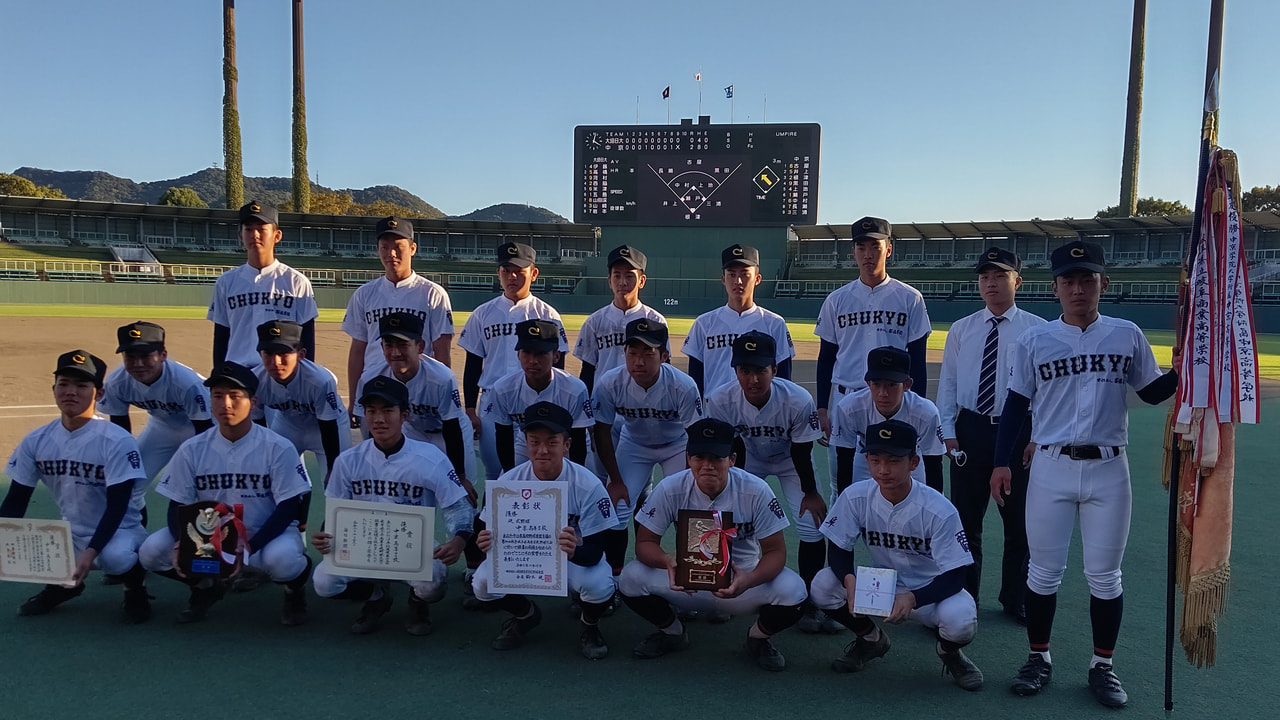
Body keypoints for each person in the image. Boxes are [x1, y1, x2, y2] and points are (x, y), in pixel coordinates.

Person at [990, 240, 1178, 708]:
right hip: (1051, 465)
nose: (1078, 288)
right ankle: (1039, 658)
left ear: (1103, 284)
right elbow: (1015, 406)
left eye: (1087, 279)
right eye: (1069, 281)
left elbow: (1153, 393)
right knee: (1043, 572)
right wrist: (1000, 461)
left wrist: (1187, 369)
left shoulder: (1126, 333)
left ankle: (1102, 666)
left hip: (1109, 469)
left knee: (1105, 577)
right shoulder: (1035, 340)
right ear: (1055, 288)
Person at [618, 418, 807, 671]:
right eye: (699, 457)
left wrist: (748, 581)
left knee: (794, 590)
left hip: (740, 584)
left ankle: (757, 639)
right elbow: (644, 542)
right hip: (687, 585)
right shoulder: (671, 488)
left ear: (732, 459)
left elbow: (776, 552)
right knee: (630, 578)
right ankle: (673, 632)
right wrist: (667, 561)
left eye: (716, 458)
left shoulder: (756, 490)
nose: (707, 465)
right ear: (688, 458)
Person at [809, 419, 983, 691]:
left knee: (961, 620)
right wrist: (850, 581)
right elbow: (839, 549)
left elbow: (956, 575)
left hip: (931, 592)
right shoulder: (856, 496)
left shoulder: (939, 509)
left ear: (913, 462)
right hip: (882, 586)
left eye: (893, 461)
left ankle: (949, 653)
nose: (882, 470)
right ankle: (871, 639)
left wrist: (914, 598)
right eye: (875, 460)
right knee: (823, 585)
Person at [140, 362, 313, 625]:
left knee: (284, 561)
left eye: (235, 396)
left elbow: (289, 505)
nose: (226, 404)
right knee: (151, 552)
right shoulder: (193, 448)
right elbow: (178, 504)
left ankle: (293, 592)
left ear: (253, 402)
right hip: (209, 537)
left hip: (264, 534)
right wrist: (181, 544)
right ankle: (204, 587)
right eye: (218, 396)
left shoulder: (277, 447)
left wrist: (249, 546)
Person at [311, 376, 475, 635]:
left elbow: (458, 507)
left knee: (432, 583)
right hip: (361, 546)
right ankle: (376, 596)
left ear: (405, 415)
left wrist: (459, 540)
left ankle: (417, 602)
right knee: (323, 583)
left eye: (388, 411)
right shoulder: (348, 460)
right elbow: (335, 511)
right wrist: (325, 534)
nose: (378, 419)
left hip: (413, 545)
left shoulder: (429, 458)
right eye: (371, 411)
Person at [935, 247, 1045, 623]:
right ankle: (965, 598)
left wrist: (1037, 437)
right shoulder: (962, 329)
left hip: (1017, 433)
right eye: (985, 277)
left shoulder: (1037, 330)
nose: (991, 283)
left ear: (1017, 281)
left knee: (1019, 523)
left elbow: (1045, 392)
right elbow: (947, 383)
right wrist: (947, 431)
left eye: (999, 276)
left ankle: (1015, 598)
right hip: (970, 430)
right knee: (966, 523)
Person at [1, 350, 151, 623]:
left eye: (82, 385)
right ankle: (64, 586)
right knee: (33, 541)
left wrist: (90, 552)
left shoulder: (116, 441)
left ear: (99, 393)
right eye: (64, 383)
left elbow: (117, 506)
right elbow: (16, 499)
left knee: (116, 558)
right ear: (54, 388)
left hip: (120, 530)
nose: (71, 392)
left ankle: (134, 588)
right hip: (70, 531)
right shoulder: (37, 440)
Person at [701, 331, 834, 634]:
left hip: (790, 461)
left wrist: (811, 493)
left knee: (811, 526)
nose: (753, 379)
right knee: (730, 518)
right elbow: (733, 450)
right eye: (745, 370)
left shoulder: (798, 399)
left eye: (761, 370)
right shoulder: (721, 399)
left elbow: (801, 451)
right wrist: (740, 492)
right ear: (735, 370)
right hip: (749, 460)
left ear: (774, 370)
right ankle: (726, 584)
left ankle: (811, 601)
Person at [470, 402, 617, 659]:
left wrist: (574, 552)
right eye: (534, 441)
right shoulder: (507, 482)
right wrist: (485, 542)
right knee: (482, 584)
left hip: (573, 558)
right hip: (526, 558)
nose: (542, 450)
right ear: (525, 442)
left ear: (566, 445)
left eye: (551, 442)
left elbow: (596, 550)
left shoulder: (587, 484)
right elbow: (485, 531)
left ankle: (590, 625)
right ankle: (526, 615)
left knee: (599, 584)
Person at [814, 216, 931, 483]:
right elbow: (826, 358)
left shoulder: (909, 298)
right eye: (861, 247)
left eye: (875, 247)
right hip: (847, 403)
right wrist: (822, 407)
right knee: (842, 486)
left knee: (905, 484)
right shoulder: (836, 300)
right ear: (853, 251)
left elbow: (918, 359)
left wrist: (917, 405)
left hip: (895, 402)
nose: (868, 254)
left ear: (888, 249)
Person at [591, 318, 702, 577]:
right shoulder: (610, 382)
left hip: (678, 445)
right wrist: (615, 479)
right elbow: (602, 431)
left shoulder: (682, 386)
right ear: (625, 353)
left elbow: (695, 436)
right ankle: (614, 577)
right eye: (633, 353)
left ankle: (695, 576)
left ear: (664, 355)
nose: (638, 361)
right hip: (635, 443)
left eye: (647, 353)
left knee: (687, 510)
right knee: (618, 508)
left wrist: (686, 483)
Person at [458, 242, 568, 482]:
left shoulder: (548, 314)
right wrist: (469, 409)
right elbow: (473, 364)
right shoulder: (483, 313)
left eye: (519, 270)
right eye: (506, 270)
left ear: (533, 273)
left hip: (538, 400)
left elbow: (559, 367)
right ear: (498, 273)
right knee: (495, 472)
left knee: (541, 473)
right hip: (492, 401)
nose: (512, 276)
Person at [342, 216, 454, 426]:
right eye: (384, 247)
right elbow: (358, 349)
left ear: (412, 248)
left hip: (418, 386)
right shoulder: (364, 294)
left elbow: (441, 350)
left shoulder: (432, 293)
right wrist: (354, 399)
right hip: (374, 386)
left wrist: (441, 396)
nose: (391, 254)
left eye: (398, 247)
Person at [351, 312, 477, 492]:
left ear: (420, 346)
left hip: (449, 432)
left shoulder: (441, 378)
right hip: (413, 431)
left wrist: (460, 476)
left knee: (461, 494)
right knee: (409, 491)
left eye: (402, 344)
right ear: (381, 346)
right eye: (389, 345)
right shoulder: (372, 378)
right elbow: (373, 430)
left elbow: (452, 428)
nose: (395, 352)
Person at [208, 201, 318, 367]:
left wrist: (305, 379)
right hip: (238, 372)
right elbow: (221, 336)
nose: (255, 234)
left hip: (280, 372)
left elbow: (307, 338)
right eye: (249, 229)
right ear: (240, 235)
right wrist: (220, 373)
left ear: (277, 235)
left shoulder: (296, 282)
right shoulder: (226, 282)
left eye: (261, 229)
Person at [101, 321, 213, 483]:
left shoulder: (186, 383)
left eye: (146, 356)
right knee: (130, 480)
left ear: (163, 355)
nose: (138, 364)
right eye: (130, 357)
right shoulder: (117, 383)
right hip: (162, 426)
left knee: (197, 483)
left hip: (204, 426)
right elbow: (121, 429)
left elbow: (203, 429)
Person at [831, 346, 946, 494]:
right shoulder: (849, 408)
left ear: (907, 385)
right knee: (852, 497)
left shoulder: (926, 413)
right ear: (868, 383)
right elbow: (844, 458)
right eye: (876, 384)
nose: (883, 393)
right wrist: (844, 502)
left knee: (921, 497)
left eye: (891, 384)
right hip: (866, 455)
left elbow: (934, 464)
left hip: (908, 456)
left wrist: (934, 505)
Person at [683, 244, 794, 395]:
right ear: (723, 279)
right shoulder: (704, 324)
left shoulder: (774, 324)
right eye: (732, 274)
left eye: (744, 274)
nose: (738, 281)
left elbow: (783, 379)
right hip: (715, 410)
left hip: (760, 412)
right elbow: (695, 380)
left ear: (757, 278)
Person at [482, 319, 592, 471]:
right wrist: (510, 477)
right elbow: (504, 437)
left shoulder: (574, 389)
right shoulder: (503, 388)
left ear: (556, 356)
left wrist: (576, 476)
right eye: (526, 352)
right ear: (518, 354)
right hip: (528, 441)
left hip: (567, 442)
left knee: (581, 483)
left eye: (541, 354)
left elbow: (578, 440)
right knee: (503, 487)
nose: (533, 361)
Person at [252, 320, 349, 488]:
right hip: (288, 425)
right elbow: (258, 425)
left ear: (301, 354)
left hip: (327, 428)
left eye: (283, 353)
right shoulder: (255, 381)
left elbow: (328, 426)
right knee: (277, 479)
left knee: (337, 483)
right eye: (268, 353)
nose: (276, 361)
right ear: (260, 354)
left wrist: (332, 467)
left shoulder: (320, 381)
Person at [573, 245, 666, 393]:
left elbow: (664, 367)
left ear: (641, 281)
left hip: (644, 402)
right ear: (609, 281)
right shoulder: (594, 322)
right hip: (604, 399)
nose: (622, 282)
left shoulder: (656, 321)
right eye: (617, 275)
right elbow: (588, 370)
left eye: (629, 276)